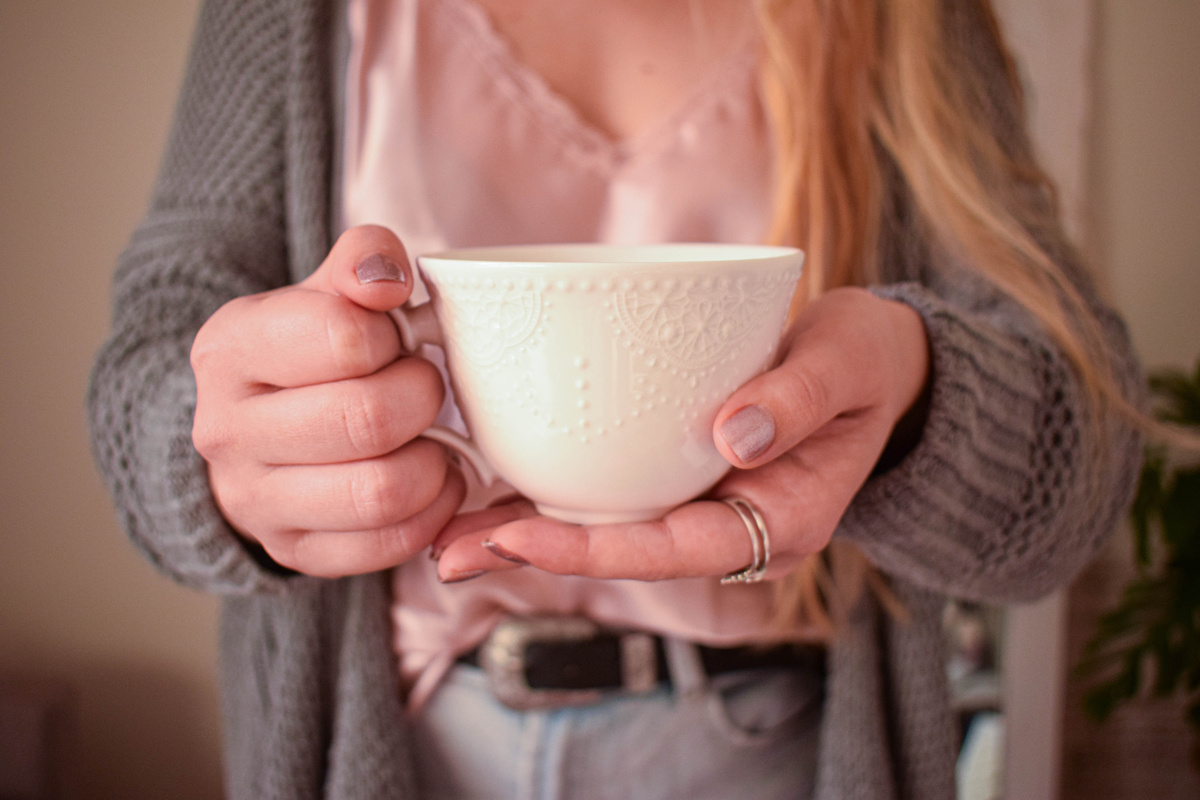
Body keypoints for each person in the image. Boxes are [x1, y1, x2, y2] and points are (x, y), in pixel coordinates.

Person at [86, 0, 1145, 798]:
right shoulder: (286, 18)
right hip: (396, 742)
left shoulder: (907, 20)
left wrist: (918, 396)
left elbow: (1085, 448)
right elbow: (154, 353)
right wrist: (224, 460)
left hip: (781, 747)